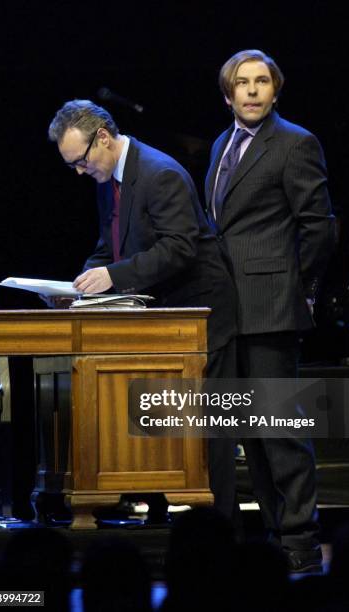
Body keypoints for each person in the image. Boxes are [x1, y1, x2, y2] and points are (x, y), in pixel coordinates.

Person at [47, 99, 238, 520]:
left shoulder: (160, 173)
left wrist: (113, 277)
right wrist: (81, 287)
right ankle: (157, 515)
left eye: (80, 161)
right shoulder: (109, 178)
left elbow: (179, 248)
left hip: (201, 316)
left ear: (102, 138)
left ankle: (227, 535)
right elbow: (107, 247)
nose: (79, 172)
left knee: (211, 433)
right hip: (161, 317)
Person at [205, 49, 335, 572]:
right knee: (251, 437)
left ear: (276, 91)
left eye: (262, 82)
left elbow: (319, 226)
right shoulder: (221, 143)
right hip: (231, 312)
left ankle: (301, 541)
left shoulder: (295, 143)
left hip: (273, 309)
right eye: (243, 83)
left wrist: (297, 290)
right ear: (228, 94)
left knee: (282, 432)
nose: (253, 90)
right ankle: (275, 537)